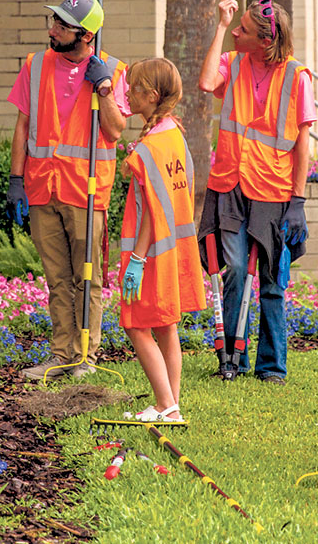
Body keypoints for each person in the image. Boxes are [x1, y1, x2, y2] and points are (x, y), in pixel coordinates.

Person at [7, 0, 131, 380]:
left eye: (62, 26)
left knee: (87, 277)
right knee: (57, 279)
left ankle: (86, 358)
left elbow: (116, 130)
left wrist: (104, 88)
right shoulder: (36, 64)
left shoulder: (112, 69)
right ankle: (61, 355)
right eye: (54, 22)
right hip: (42, 187)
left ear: (86, 35)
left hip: (86, 191)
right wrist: (15, 180)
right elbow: (23, 127)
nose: (52, 30)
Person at [197, 0, 315, 383]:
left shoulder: (297, 77)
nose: (236, 34)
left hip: (274, 192)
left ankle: (271, 367)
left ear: (265, 40)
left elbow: (302, 144)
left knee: (270, 281)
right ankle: (232, 357)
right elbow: (205, 81)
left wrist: (298, 200)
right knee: (232, 269)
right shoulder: (233, 62)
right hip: (230, 183)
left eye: (242, 30)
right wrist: (220, 24)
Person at [118, 58, 206, 422]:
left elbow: (153, 212)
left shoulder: (149, 148)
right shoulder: (173, 134)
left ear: (151, 96)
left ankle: (165, 403)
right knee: (166, 325)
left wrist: (136, 260)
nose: (126, 91)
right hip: (174, 251)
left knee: (136, 325)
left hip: (151, 255)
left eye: (133, 88)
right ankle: (172, 404)